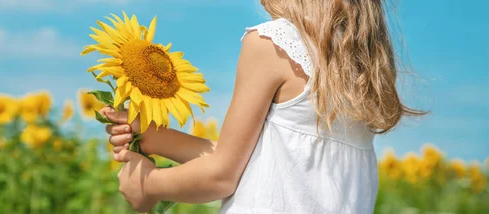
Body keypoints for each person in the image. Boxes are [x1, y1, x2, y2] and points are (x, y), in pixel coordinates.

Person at [100, 0, 424, 213]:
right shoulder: (359, 70)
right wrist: (153, 136)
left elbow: (222, 177)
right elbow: (259, 163)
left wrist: (147, 184)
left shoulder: (274, 43)